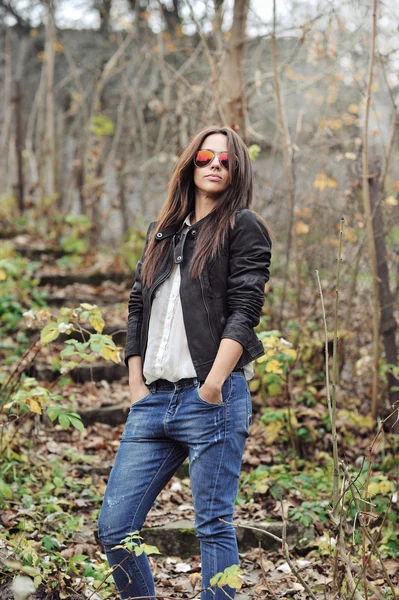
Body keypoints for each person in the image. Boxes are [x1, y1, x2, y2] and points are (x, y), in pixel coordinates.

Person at [98, 125, 272, 600]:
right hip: (153, 402)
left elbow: (245, 310)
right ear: (190, 164)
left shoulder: (243, 226)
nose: (215, 165)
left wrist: (214, 384)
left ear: (236, 171)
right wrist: (135, 383)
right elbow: (138, 305)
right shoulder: (162, 231)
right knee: (115, 527)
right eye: (205, 157)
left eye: (225, 160)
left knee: (213, 526)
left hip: (211, 396)